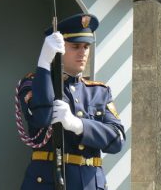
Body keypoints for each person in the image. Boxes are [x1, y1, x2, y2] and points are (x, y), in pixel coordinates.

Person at [17, 13, 126, 190]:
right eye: (75, 46)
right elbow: (42, 116)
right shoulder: (32, 83)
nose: (82, 52)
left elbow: (117, 140)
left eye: (86, 46)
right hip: (49, 183)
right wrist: (44, 63)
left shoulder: (99, 91)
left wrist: (79, 125)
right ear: (59, 49)